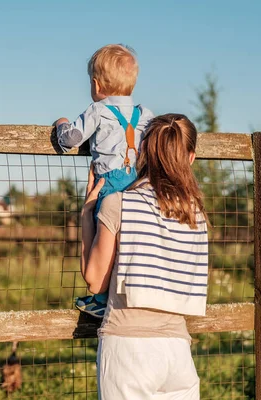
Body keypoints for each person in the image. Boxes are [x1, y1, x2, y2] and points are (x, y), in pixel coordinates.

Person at [81, 114, 209, 399]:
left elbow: (95, 281)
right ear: (190, 158)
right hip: (177, 352)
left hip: (129, 349)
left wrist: (87, 214)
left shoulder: (119, 204)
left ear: (141, 152)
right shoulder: (195, 215)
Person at [53, 44, 154, 318]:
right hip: (139, 183)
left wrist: (61, 123)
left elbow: (71, 140)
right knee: (129, 238)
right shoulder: (145, 114)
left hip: (109, 182)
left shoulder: (97, 110)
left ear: (96, 85)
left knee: (103, 238)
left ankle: (100, 298)